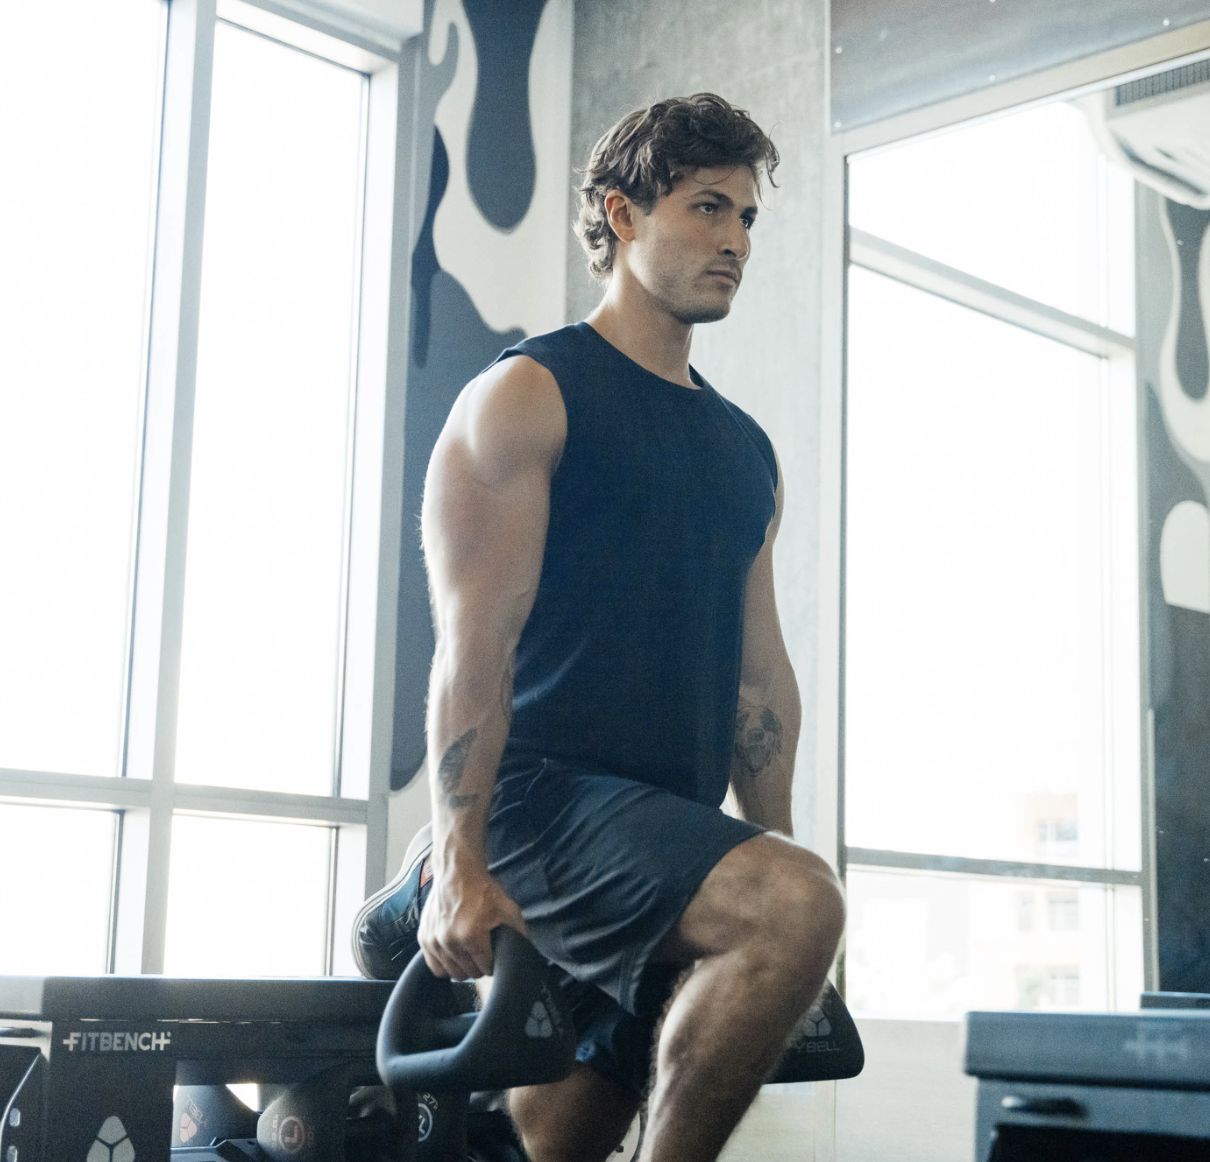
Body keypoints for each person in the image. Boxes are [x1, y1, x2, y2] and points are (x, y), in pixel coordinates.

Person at [355, 92, 845, 1162]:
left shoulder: (743, 449)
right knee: (798, 905)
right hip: (541, 807)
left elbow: (760, 683)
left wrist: (771, 849)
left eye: (748, 217)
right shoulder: (529, 396)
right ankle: (422, 875)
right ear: (620, 215)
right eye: (707, 207)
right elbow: (472, 646)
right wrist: (464, 851)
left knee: (556, 1149)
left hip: (657, 828)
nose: (734, 240)